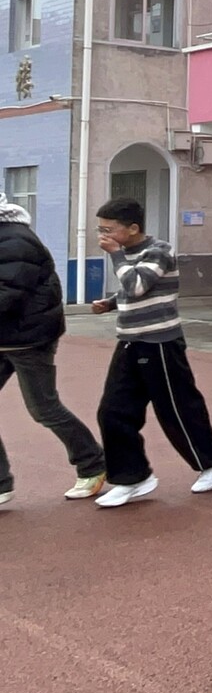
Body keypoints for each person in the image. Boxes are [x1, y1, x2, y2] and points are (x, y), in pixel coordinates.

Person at [89, 196, 212, 508]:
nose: (102, 236)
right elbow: (131, 290)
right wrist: (111, 303)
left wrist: (115, 256)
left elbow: (138, 284)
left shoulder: (159, 250)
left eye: (108, 230)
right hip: (129, 341)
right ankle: (132, 477)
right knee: (113, 411)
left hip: (161, 342)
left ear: (132, 228)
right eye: (100, 229)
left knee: (176, 409)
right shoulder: (127, 254)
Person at [0, 193, 106, 504]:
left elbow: (8, 293)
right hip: (6, 335)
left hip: (29, 338)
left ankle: (93, 464)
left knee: (43, 408)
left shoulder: (15, 241)